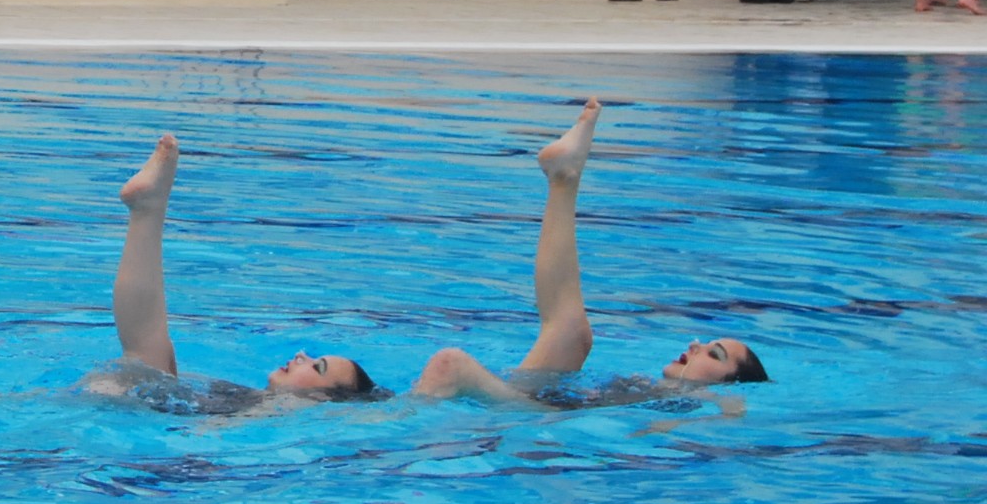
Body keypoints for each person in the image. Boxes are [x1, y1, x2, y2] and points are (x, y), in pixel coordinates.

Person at [417, 102, 770, 404]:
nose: (695, 344)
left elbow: (727, 418)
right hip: (543, 409)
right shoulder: (660, 393)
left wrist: (725, 405)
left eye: (713, 354)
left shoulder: (700, 402)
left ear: (728, 385)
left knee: (451, 365)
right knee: (573, 334)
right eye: (707, 344)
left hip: (536, 420)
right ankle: (564, 178)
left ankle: (395, 422)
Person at [93, 133, 380, 410]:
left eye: (318, 368)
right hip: (150, 404)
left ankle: (148, 210)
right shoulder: (253, 400)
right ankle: (148, 209)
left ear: (320, 398)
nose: (302, 355)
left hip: (147, 411)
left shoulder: (281, 412)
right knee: (152, 362)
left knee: (148, 361)